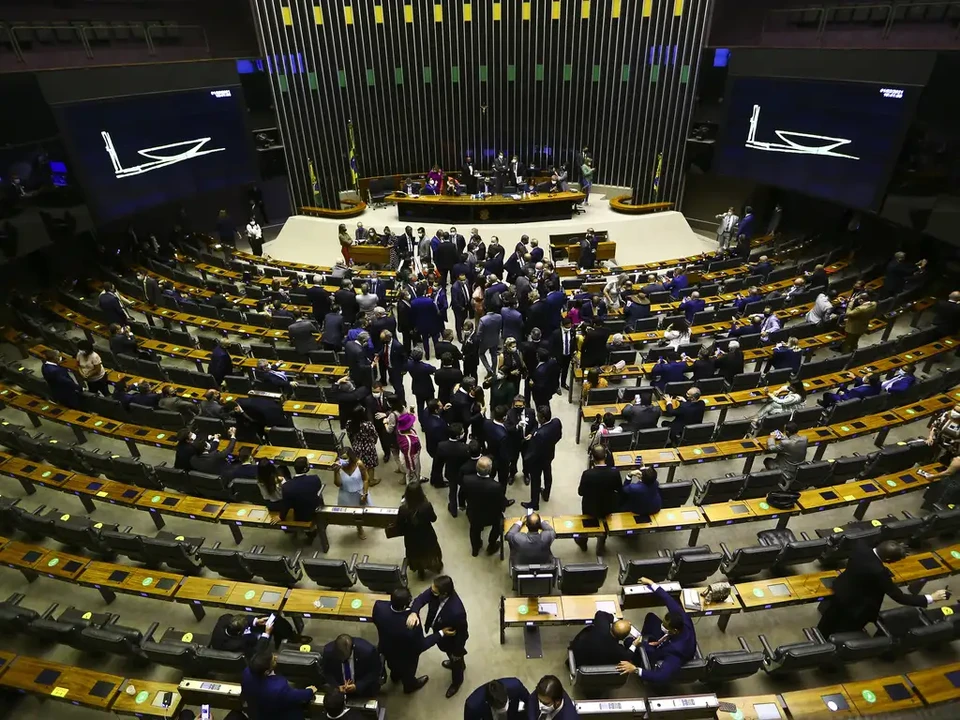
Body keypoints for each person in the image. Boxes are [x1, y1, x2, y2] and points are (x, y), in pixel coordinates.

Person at [816, 540, 948, 638]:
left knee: (830, 618)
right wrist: (931, 598)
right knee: (846, 629)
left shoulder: (860, 547)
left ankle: (820, 635)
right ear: (888, 559)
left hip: (841, 589)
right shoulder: (879, 572)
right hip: (857, 604)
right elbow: (899, 597)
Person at [615, 577, 696, 684]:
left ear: (675, 631)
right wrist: (651, 583)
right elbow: (668, 599)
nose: (662, 626)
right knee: (651, 617)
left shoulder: (675, 653)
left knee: (629, 642)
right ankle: (644, 640)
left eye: (665, 626)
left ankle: (640, 657)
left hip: (662, 652)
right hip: (668, 640)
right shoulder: (682, 617)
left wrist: (635, 669)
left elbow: (661, 677)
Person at [407, 575, 469, 698]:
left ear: (444, 593)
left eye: (434, 591)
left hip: (452, 641)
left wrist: (457, 652)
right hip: (441, 634)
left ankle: (457, 681)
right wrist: (414, 612)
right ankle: (457, 662)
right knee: (449, 654)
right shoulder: (434, 592)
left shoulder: (457, 611)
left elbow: (463, 634)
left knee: (456, 660)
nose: (431, 592)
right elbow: (420, 600)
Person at [372, 588, 430, 695]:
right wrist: (440, 634)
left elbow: (375, 620)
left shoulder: (379, 607)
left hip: (386, 648)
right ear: (405, 605)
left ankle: (395, 677)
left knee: (393, 667)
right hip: (406, 657)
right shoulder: (412, 625)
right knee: (408, 674)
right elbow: (421, 645)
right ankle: (410, 686)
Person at [241, 647, 317, 720]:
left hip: (258, 712)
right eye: (273, 660)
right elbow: (294, 696)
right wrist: (309, 691)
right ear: (266, 672)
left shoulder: (247, 672)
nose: (276, 657)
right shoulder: (278, 688)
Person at [462, 456, 511, 556]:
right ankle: (491, 545)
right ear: (490, 470)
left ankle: (475, 549)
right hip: (491, 516)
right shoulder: (496, 486)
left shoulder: (467, 480)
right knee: (498, 524)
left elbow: (463, 494)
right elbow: (501, 501)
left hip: (474, 513)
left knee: (474, 530)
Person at [576, 445, 622, 550]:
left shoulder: (587, 474)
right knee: (605, 523)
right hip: (608, 506)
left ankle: (583, 542)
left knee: (587, 523)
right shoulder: (614, 473)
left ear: (592, 458)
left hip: (590, 507)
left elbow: (581, 492)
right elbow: (619, 489)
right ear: (605, 456)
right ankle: (601, 545)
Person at [395, 480, 443, 578]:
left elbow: (399, 524)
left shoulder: (403, 509)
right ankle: (435, 567)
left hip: (411, 537)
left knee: (415, 553)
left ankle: (420, 571)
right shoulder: (426, 506)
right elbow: (433, 519)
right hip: (426, 534)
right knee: (430, 551)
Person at [523, 405, 563, 509]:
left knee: (535, 480)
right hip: (549, 454)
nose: (537, 418)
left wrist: (526, 459)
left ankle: (534, 503)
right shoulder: (556, 422)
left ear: (543, 418)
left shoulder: (539, 434)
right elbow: (559, 436)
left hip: (538, 460)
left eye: (538, 416)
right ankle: (546, 494)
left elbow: (533, 452)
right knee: (548, 473)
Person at [569, 609, 638, 667]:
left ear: (611, 626)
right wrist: (634, 644)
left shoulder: (602, 627)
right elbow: (627, 656)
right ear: (623, 638)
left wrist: (616, 621)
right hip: (591, 667)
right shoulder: (618, 651)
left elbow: (600, 613)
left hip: (577, 657)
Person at [321, 634, 381, 698]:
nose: (342, 659)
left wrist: (358, 686)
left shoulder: (368, 652)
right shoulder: (328, 652)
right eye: (339, 656)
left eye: (345, 657)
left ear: (352, 648)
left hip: (363, 690)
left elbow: (375, 672)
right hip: (339, 691)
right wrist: (337, 686)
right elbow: (326, 672)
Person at [334, 447, 370, 538]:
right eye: (341, 458)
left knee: (368, 510)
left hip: (360, 492)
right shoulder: (338, 467)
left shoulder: (359, 464)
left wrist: (365, 493)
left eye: (345, 458)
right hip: (346, 495)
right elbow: (338, 484)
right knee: (355, 514)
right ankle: (360, 528)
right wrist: (336, 472)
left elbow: (366, 479)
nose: (343, 460)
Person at [764, 421, 807, 489]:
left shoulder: (785, 444)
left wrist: (771, 437)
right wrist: (784, 437)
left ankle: (774, 480)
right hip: (799, 468)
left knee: (767, 461)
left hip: (786, 470)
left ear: (787, 432)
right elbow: (793, 442)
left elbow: (771, 448)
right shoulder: (805, 439)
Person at [277, 456, 323, 521]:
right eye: (308, 464)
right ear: (304, 469)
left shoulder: (286, 486)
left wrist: (281, 517)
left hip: (300, 515)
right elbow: (318, 488)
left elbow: (286, 504)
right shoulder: (315, 479)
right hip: (315, 511)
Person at [464, 677, 529, 720]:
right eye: (499, 708)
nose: (503, 709)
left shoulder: (515, 686)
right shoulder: (473, 706)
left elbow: (530, 701)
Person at [346, 405, 380, 487]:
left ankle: (363, 479)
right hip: (368, 446)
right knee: (371, 465)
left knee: (361, 464)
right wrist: (373, 442)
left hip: (357, 446)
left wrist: (354, 445)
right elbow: (374, 435)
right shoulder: (368, 424)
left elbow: (349, 435)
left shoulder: (349, 424)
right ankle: (371, 480)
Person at [396, 406, 423, 484]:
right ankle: (412, 491)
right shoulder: (407, 442)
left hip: (411, 454)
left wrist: (411, 412)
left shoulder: (401, 429)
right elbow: (409, 458)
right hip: (411, 458)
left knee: (416, 472)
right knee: (412, 477)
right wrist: (412, 469)